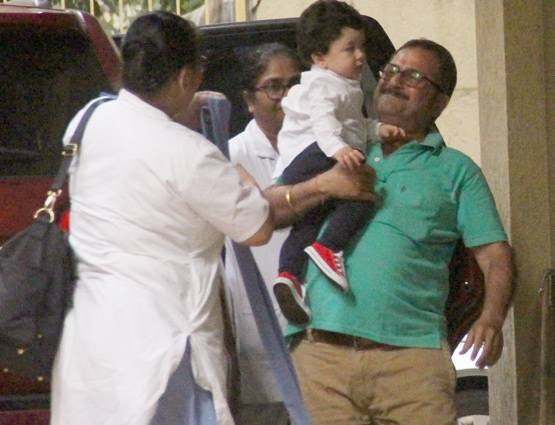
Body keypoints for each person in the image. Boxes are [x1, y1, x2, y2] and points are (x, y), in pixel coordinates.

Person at [264, 38, 514, 425]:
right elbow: (263, 212)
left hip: (413, 362)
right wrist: (323, 185)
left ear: (440, 102)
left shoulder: (456, 170)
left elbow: (495, 256)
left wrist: (492, 318)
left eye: (413, 76)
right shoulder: (337, 143)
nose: (394, 80)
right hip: (320, 356)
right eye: (391, 70)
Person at [50, 11, 273, 425]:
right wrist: (233, 167)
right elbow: (256, 225)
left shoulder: (87, 121)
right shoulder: (188, 153)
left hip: (94, 336)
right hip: (167, 350)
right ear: (186, 77)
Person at [272, 0, 406, 325]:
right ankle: (329, 247)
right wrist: (339, 151)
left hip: (304, 157)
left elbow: (354, 125)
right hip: (316, 151)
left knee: (309, 221)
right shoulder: (324, 84)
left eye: (362, 47)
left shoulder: (343, 84)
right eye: (350, 48)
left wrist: (378, 130)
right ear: (320, 57)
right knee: (363, 193)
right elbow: (325, 124)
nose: (360, 56)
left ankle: (289, 275)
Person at [222, 42, 301, 425]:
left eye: (294, 84)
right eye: (274, 86)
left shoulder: (326, 149)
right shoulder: (227, 157)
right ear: (249, 100)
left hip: (318, 335)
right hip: (257, 330)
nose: (286, 96)